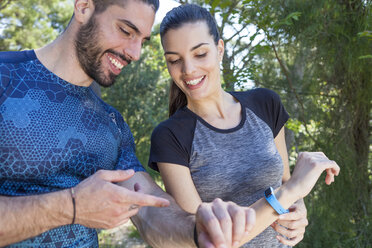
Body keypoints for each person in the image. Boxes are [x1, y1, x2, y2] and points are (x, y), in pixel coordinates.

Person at [0, 0, 259, 247]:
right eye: (126, 30)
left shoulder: (111, 122)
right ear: (83, 7)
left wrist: (196, 229)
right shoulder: (6, 77)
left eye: (142, 41)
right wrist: (70, 207)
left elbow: (149, 210)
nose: (135, 53)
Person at [149, 4, 340, 248]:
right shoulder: (170, 137)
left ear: (219, 50)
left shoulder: (265, 104)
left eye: (199, 54)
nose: (188, 70)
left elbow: (283, 179)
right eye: (174, 60)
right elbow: (205, 238)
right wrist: (290, 192)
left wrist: (297, 214)